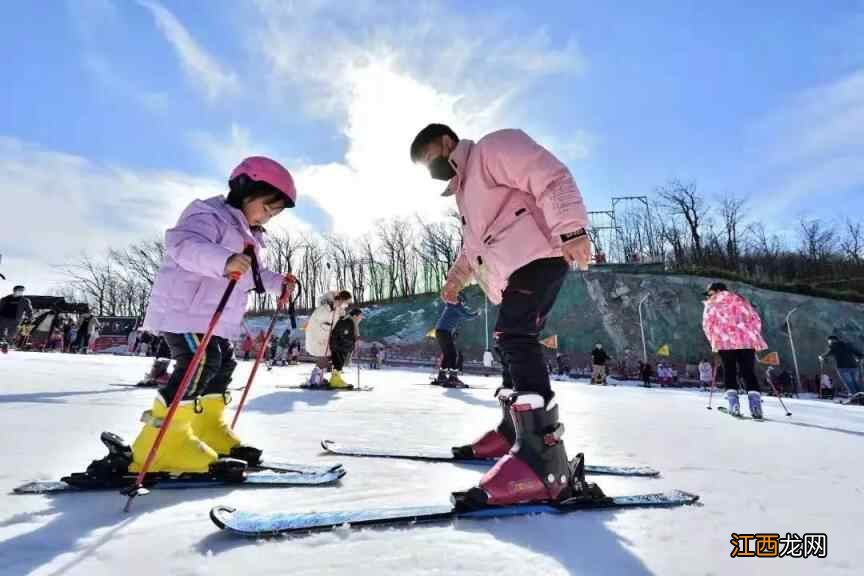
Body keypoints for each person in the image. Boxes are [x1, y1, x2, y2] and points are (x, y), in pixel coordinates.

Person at [411, 122, 591, 507]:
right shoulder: (465, 194)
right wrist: (456, 279)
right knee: (509, 339)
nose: (431, 170)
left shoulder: (491, 151)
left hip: (539, 255)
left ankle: (542, 458)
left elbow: (548, 174)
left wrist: (572, 228)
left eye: (429, 159)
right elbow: (472, 248)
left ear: (446, 142)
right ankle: (514, 432)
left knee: (514, 335)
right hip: (515, 271)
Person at [114, 156, 299, 477]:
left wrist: (277, 283)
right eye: (267, 208)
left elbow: (253, 275)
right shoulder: (208, 214)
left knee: (223, 363)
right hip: (184, 312)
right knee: (199, 363)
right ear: (244, 190)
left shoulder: (253, 236)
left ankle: (204, 426)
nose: (269, 217)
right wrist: (224, 259)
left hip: (215, 319)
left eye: (275, 213)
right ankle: (161, 442)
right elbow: (184, 246)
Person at [702, 282, 768, 418]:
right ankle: (755, 405)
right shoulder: (741, 300)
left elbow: (707, 324)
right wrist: (753, 335)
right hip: (746, 342)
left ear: (717, 290)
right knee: (748, 372)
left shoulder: (711, 304)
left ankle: (733, 404)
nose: (709, 296)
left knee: (729, 370)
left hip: (725, 343)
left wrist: (713, 341)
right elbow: (755, 319)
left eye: (710, 293)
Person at [304, 290, 353, 387]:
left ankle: (318, 377)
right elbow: (318, 324)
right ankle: (314, 380)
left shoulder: (337, 310)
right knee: (323, 358)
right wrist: (332, 309)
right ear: (342, 300)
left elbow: (340, 319)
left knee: (326, 358)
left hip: (325, 338)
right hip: (318, 337)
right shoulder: (324, 309)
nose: (347, 306)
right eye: (346, 303)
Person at [433, 293, 478, 387]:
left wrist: (452, 332)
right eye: (463, 302)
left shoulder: (451, 305)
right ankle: (452, 378)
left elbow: (452, 319)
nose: (463, 304)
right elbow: (466, 316)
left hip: (440, 331)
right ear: (461, 300)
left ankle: (442, 375)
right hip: (444, 331)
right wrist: (476, 314)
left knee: (447, 354)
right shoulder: (456, 305)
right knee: (453, 354)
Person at [326, 307, 363, 388]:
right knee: (338, 364)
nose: (361, 318)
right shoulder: (347, 322)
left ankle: (335, 380)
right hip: (339, 346)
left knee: (338, 364)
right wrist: (353, 341)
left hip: (340, 346)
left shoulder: (351, 322)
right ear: (355, 316)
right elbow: (342, 335)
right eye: (360, 316)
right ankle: (335, 381)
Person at [0, 285, 33, 351]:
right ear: (14, 291)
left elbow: (29, 310)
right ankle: (3, 343)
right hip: (3, 318)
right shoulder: (5, 298)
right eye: (19, 290)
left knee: (11, 333)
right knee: (1, 332)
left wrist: (30, 317)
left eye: (22, 291)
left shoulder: (25, 300)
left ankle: (6, 344)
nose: (21, 292)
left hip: (15, 320)